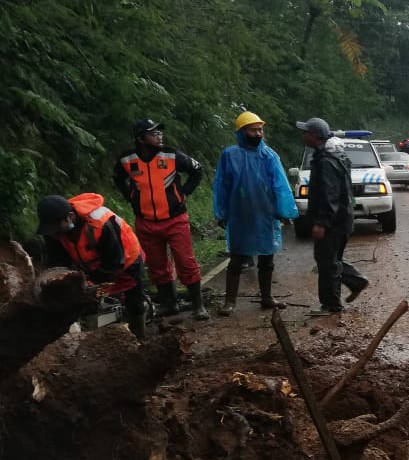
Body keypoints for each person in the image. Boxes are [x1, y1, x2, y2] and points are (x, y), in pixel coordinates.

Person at [112, 118, 208, 320]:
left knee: (185, 261)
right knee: (157, 266)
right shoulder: (127, 159)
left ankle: (198, 305)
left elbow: (197, 170)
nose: (159, 136)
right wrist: (130, 196)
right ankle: (169, 304)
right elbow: (118, 178)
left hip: (175, 219)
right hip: (145, 222)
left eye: (159, 132)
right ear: (141, 138)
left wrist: (185, 192)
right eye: (153, 133)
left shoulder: (171, 155)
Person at [213, 111, 298, 316]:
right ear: (242, 132)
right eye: (253, 130)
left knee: (266, 259)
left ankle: (267, 297)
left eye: (260, 129)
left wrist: (283, 210)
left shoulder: (269, 155)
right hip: (239, 213)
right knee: (237, 258)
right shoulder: (229, 155)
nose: (258, 133)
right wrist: (221, 213)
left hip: (264, 213)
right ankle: (229, 301)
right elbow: (221, 185)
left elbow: (280, 185)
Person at [37, 193, 149, 339]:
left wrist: (91, 284)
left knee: (134, 302)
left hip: (125, 259)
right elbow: (58, 262)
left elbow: (113, 263)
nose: (54, 234)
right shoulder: (54, 230)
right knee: (81, 297)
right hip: (90, 262)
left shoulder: (100, 223)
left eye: (57, 229)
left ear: (70, 216)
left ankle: (140, 337)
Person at [297, 117, 369, 316]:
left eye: (306, 132)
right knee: (330, 260)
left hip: (334, 222)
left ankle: (331, 305)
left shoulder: (326, 161)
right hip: (342, 219)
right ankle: (356, 281)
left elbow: (330, 195)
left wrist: (321, 223)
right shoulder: (333, 156)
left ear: (314, 135)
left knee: (327, 262)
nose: (303, 135)